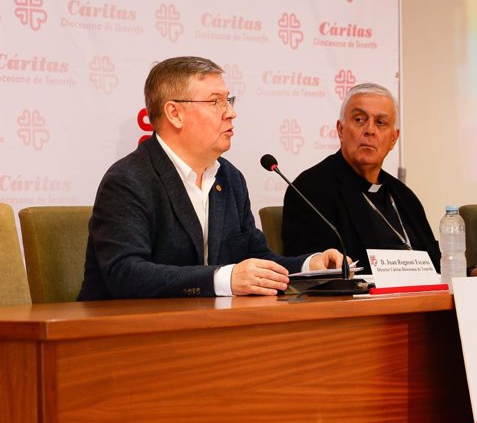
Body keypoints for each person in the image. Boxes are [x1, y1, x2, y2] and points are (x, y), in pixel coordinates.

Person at [78, 56, 343, 300]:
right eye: (216, 102)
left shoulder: (229, 178)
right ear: (174, 113)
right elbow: (126, 275)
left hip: (205, 329)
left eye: (229, 100)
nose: (230, 112)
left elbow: (256, 257)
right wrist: (225, 278)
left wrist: (311, 266)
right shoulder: (128, 180)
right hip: (122, 337)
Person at [282, 82, 477, 277]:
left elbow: (434, 265)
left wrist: (472, 273)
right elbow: (316, 276)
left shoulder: (403, 196)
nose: (370, 130)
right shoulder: (310, 190)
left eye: (380, 123)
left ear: (393, 138)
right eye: (359, 119)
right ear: (341, 129)